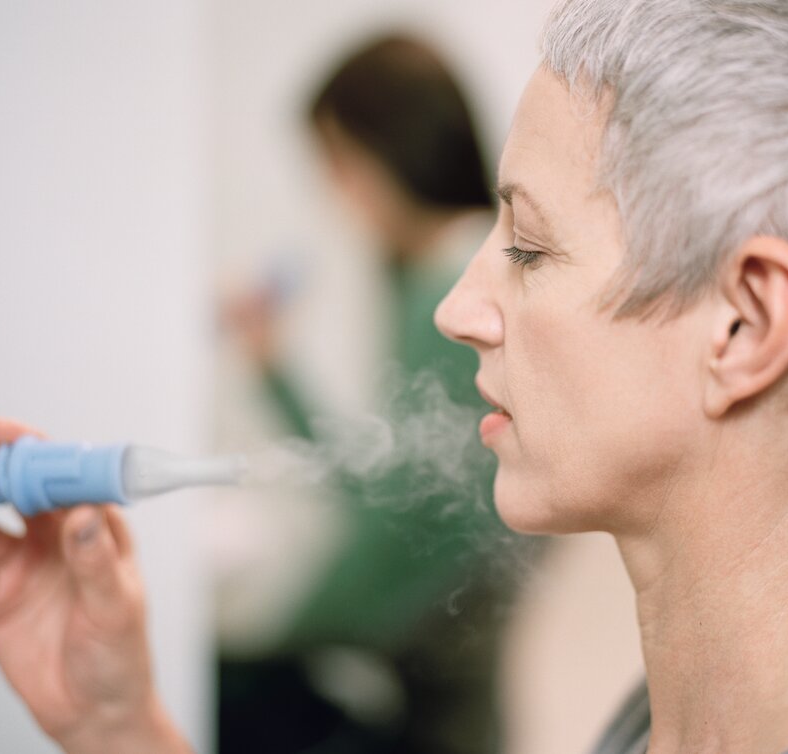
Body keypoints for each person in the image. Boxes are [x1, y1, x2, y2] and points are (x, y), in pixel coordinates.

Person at [0, 0, 788, 752]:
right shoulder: (676, 714)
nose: (457, 307)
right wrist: (121, 724)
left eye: (526, 248)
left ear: (746, 324)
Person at [217, 34, 518, 754]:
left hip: (437, 664)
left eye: (337, 163)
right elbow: (390, 483)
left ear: (388, 152)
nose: (336, 193)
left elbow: (395, 525)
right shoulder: (448, 263)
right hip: (447, 659)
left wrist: (273, 637)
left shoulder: (444, 283)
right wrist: (273, 369)